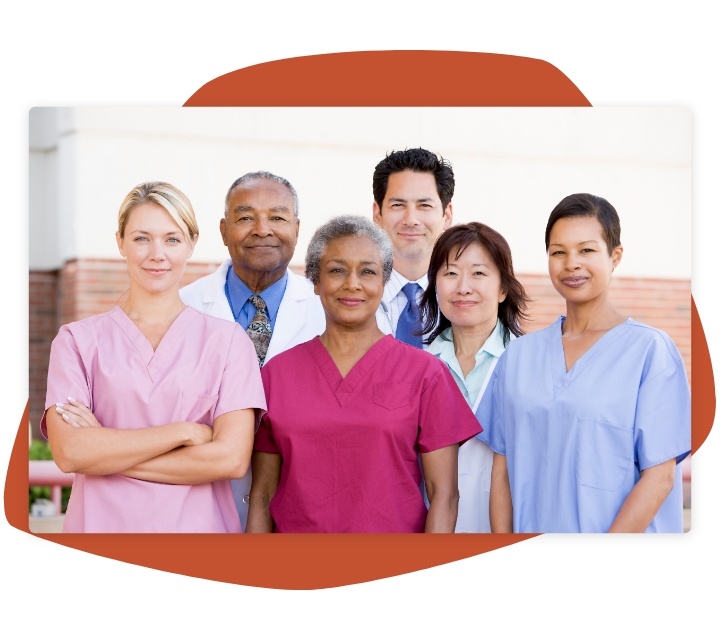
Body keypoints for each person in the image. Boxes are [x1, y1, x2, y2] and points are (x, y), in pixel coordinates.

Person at [43, 182, 266, 533]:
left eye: (172, 239)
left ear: (192, 243)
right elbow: (71, 452)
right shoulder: (77, 342)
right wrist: (185, 431)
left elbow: (231, 458)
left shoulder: (227, 342)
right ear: (120, 242)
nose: (157, 254)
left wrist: (105, 452)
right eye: (141, 238)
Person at [246, 216, 482, 533]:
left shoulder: (426, 374)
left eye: (367, 271)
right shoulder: (277, 375)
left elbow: (445, 496)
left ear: (384, 283)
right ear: (315, 282)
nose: (352, 283)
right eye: (337, 270)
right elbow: (262, 496)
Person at [477, 193, 691, 533]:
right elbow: (502, 473)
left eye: (586, 250)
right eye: (558, 252)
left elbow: (660, 477)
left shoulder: (650, 352)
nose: (571, 263)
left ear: (615, 256)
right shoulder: (518, 358)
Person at [180, 171, 325, 530]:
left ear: (297, 228)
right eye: (245, 217)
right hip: (197, 509)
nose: (262, 229)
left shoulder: (328, 310)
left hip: (302, 512)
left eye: (277, 217)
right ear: (223, 229)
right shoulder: (182, 308)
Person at [419, 222, 530, 532]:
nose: (463, 287)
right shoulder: (417, 366)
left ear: (503, 289)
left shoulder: (528, 363)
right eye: (451, 273)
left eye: (479, 273)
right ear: (435, 285)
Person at [372, 148, 454, 347]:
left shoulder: (464, 296)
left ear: (447, 215)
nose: (411, 220)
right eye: (398, 205)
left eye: (424, 206)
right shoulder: (351, 294)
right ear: (377, 214)